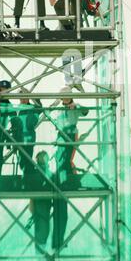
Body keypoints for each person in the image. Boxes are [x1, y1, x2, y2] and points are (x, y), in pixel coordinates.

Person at [53, 86, 89, 250]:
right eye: (62, 96)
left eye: (66, 96)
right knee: (61, 161)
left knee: (66, 160)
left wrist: (77, 107)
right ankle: (63, 179)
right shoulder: (59, 108)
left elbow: (86, 111)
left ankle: (65, 179)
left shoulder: (75, 106)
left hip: (70, 134)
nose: (64, 99)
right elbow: (53, 118)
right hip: (62, 135)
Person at [16, 93, 42, 186]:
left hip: (29, 138)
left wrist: (35, 98)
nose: (23, 100)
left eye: (25, 98)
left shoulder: (32, 108)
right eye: (21, 98)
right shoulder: (17, 109)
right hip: (19, 138)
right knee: (22, 160)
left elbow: (40, 108)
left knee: (27, 157)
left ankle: (29, 177)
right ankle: (29, 174)